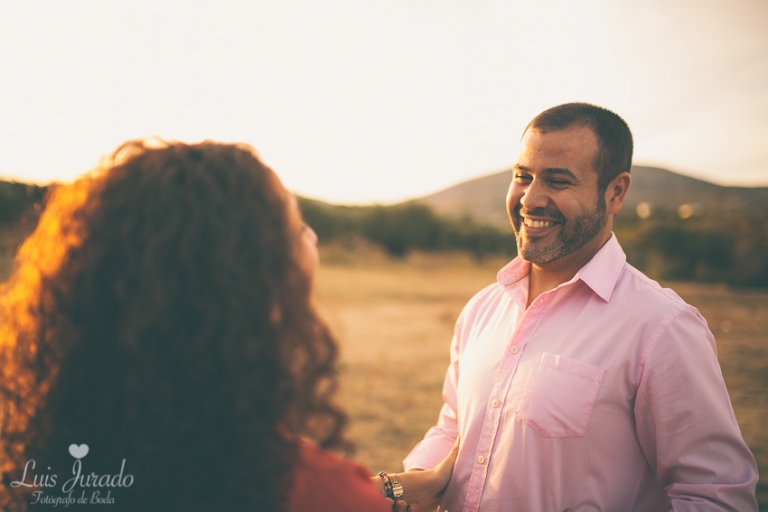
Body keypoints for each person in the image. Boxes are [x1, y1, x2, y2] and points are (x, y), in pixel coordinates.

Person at [0, 140, 454, 511]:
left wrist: (398, 488)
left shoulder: (52, 472)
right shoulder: (310, 490)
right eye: (297, 230)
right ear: (255, 290)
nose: (312, 237)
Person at [400, 103, 759, 511]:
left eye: (557, 181)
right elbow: (455, 424)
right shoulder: (481, 309)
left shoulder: (663, 328)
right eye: (522, 176)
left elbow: (716, 497)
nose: (530, 199)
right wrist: (413, 482)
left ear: (615, 192)